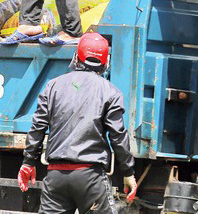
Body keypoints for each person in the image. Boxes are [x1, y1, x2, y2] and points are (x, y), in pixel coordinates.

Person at [18, 33, 137, 213]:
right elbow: (118, 137)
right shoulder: (111, 92)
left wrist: (28, 162)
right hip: (90, 177)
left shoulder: (53, 86)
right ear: (106, 62)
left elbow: (38, 127)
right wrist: (128, 172)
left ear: (76, 57)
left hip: (56, 176)